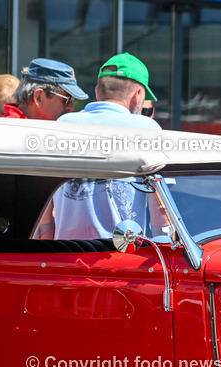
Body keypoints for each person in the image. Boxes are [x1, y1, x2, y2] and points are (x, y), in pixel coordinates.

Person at [33, 53, 163, 240]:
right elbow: (161, 208)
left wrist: (45, 243)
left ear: (97, 91)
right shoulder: (147, 129)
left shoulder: (62, 124)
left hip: (65, 254)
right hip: (122, 256)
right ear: (138, 95)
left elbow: (43, 192)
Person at [3, 58, 87, 120]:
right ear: (39, 97)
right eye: (67, 99)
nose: (71, 108)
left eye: (72, 99)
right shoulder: (8, 132)